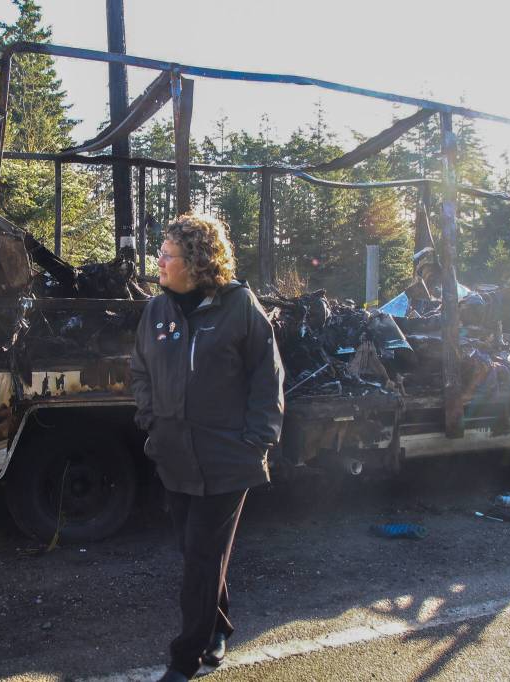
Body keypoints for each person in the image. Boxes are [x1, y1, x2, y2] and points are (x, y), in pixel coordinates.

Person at [130, 213, 285, 681]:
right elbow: (139, 367)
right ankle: (218, 627)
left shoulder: (239, 306)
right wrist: (150, 420)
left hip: (226, 458)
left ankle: (185, 658)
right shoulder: (157, 310)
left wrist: (257, 440)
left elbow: (268, 375)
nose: (158, 260)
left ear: (196, 262)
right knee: (193, 550)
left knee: (200, 556)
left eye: (167, 253)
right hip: (174, 455)